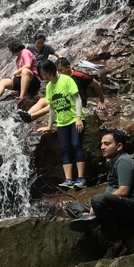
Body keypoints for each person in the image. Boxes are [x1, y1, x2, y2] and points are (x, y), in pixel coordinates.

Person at [66, 130, 134, 260]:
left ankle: (117, 244)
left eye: (107, 144)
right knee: (72, 206)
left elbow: (124, 191)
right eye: (102, 144)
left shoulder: (123, 161)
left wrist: (96, 204)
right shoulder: (114, 161)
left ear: (119, 146)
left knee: (98, 200)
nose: (102, 147)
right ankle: (90, 218)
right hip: (115, 205)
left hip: (131, 209)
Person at [36, 60, 87, 189]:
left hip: (74, 119)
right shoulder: (49, 87)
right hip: (62, 122)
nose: (44, 77)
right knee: (64, 149)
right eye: (42, 75)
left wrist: (79, 118)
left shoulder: (66, 80)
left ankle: (81, 178)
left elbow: (77, 99)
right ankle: (68, 179)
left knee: (76, 145)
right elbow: (52, 108)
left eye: (45, 73)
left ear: (52, 70)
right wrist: (50, 125)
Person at [18, 57, 105, 122]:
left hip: (77, 102)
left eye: (61, 70)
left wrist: (102, 101)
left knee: (54, 104)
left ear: (68, 67)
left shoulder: (79, 76)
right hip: (64, 100)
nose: (59, 73)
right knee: (42, 100)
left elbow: (96, 85)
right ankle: (26, 115)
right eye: (57, 71)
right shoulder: (59, 78)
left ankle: (32, 116)